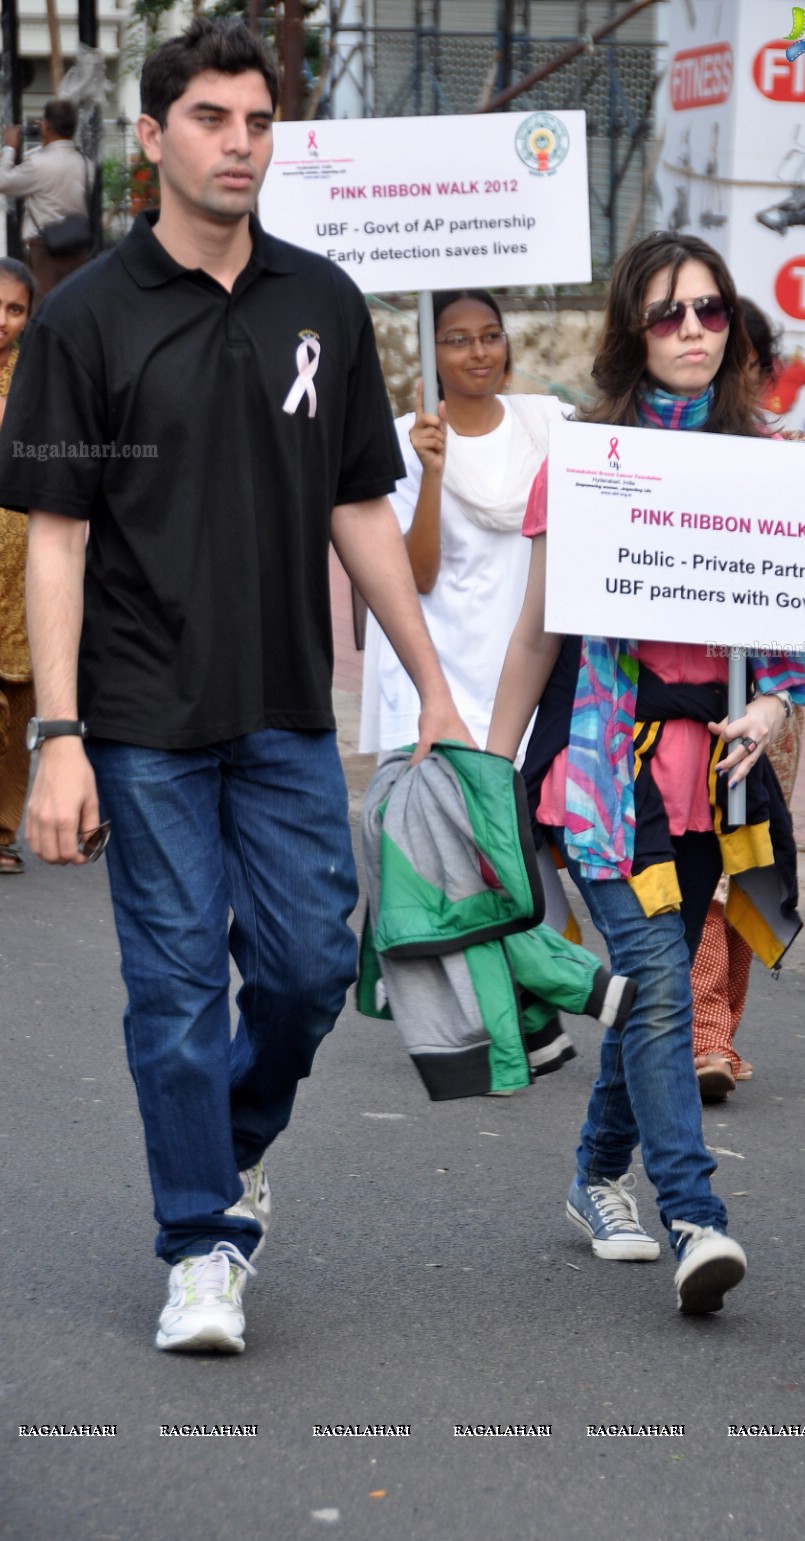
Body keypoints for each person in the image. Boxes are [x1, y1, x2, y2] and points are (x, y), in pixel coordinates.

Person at [0, 17, 469, 1355]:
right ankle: (201, 1242)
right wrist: (58, 735)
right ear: (151, 139)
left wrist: (429, 685)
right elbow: (61, 534)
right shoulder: (84, 321)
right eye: (211, 118)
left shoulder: (320, 301)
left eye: (258, 123)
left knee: (316, 965)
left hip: (282, 713)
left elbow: (359, 508)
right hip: (142, 721)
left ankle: (230, 1142)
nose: (240, 145)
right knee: (173, 991)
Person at [487, 231, 805, 1317]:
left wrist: (775, 698)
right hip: (603, 776)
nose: (693, 332)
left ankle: (592, 1176)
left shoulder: (768, 460)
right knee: (664, 981)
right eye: (669, 313)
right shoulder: (581, 460)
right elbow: (537, 635)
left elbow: (789, 629)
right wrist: (489, 769)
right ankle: (696, 1214)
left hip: (713, 782)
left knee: (654, 979)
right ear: (633, 328)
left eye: (712, 311)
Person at [690, 296, 805, 1100]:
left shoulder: (798, 457)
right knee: (700, 865)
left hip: (772, 702)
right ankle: (703, 1033)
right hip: (683, 697)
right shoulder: (665, 453)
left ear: (762, 366)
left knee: (746, 860)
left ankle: (719, 1030)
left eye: (745, 356)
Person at [359, 288, 566, 760]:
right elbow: (418, 577)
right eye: (457, 340)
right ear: (429, 353)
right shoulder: (402, 442)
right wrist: (433, 473)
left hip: (523, 680)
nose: (478, 352)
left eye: (490, 336)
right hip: (435, 687)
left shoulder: (551, 426)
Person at [0, 257, 35, 873]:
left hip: (29, 564)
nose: (1, 321)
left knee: (22, 697)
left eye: (14, 309)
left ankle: (3, 831)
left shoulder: (41, 379)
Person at [0, 100, 91, 298]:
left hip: (45, 251)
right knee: (77, 305)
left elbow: (3, 181)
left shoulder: (39, 164)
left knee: (44, 309)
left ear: (47, 126)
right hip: (78, 248)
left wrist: (9, 149)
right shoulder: (85, 163)